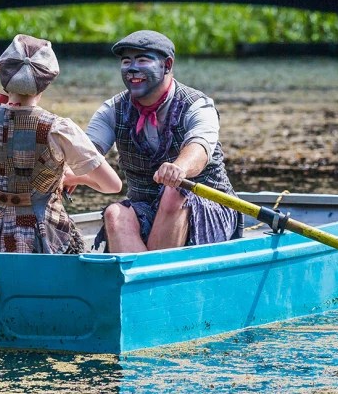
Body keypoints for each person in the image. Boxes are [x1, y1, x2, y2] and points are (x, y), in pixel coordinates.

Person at [0, 34, 122, 254]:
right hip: (42, 238)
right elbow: (113, 185)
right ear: (46, 82)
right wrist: (75, 177)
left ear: (5, 78)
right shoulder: (58, 129)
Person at [85, 30, 243, 252]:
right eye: (126, 61)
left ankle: (153, 276)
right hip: (146, 208)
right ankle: (141, 283)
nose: (131, 68)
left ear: (167, 65)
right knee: (114, 213)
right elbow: (86, 152)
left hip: (209, 208)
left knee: (173, 193)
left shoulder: (198, 105)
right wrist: (65, 172)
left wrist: (179, 168)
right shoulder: (112, 109)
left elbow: (200, 146)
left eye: (142, 60)